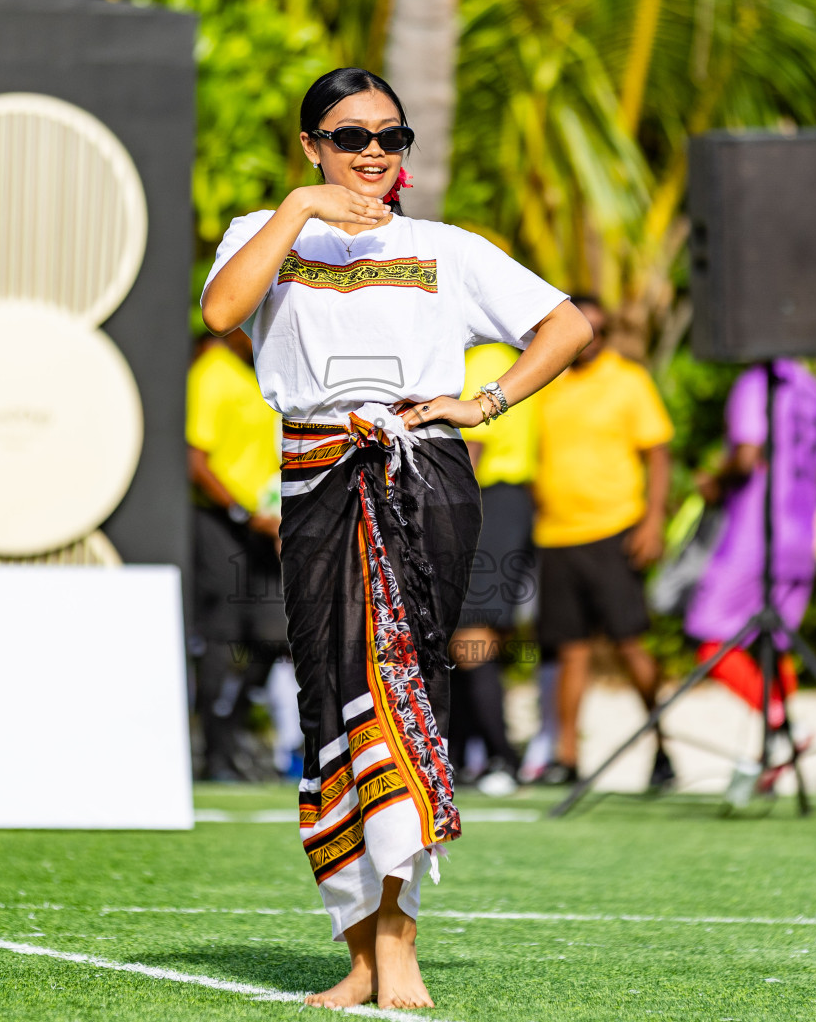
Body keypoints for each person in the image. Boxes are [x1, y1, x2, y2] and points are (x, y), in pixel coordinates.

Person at [200, 67, 589, 1010]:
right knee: (329, 699)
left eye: (391, 137)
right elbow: (219, 314)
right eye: (349, 137)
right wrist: (300, 208)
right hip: (314, 473)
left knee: (400, 683)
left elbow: (564, 323)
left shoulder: (443, 247)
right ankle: (360, 949)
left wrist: (484, 400)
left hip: (422, 473)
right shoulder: (265, 234)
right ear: (312, 145)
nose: (373, 154)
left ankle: (401, 941)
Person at [533, 295, 673, 786]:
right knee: (570, 650)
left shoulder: (628, 380)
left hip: (614, 530)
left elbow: (658, 453)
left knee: (629, 643)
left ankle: (662, 749)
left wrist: (653, 522)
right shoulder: (547, 381)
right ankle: (566, 758)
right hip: (556, 533)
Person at [685, 359, 816, 737]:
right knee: (775, 644)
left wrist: (716, 483)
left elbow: (748, 454)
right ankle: (780, 740)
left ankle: (782, 725)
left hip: (754, 534)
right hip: (802, 536)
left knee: (710, 640)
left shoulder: (756, 381)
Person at [186, 327, 287, 781]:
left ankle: (235, 734)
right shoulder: (212, 373)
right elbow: (196, 461)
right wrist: (245, 513)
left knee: (273, 635)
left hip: (262, 528)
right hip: (223, 525)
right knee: (223, 638)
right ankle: (217, 753)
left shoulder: (255, 377)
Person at [449, 340, 538, 794]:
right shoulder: (503, 359)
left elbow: (472, 447)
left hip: (489, 500)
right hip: (507, 502)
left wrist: (442, 515)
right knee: (466, 639)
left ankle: (505, 759)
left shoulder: (482, 362)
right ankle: (462, 757)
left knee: (470, 635)